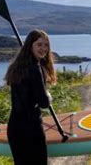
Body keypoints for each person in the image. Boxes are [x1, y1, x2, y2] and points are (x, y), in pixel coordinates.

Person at [5, 29, 57, 165]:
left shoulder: (17, 67)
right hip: (31, 129)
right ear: (30, 46)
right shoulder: (35, 68)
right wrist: (49, 96)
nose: (44, 49)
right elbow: (44, 102)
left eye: (46, 45)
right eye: (39, 45)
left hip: (15, 128)